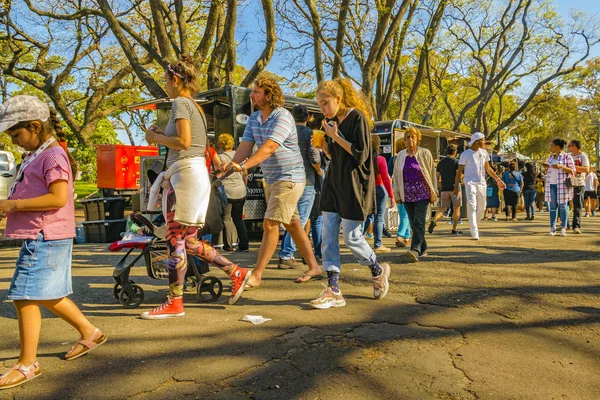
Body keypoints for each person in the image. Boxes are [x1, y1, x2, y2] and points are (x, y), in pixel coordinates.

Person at [0, 96, 106, 390]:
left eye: (17, 135)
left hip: (43, 235)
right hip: (45, 235)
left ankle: (27, 363)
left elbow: (58, 198)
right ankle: (90, 332)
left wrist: (12, 206)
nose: (16, 142)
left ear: (35, 126)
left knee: (24, 296)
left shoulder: (52, 156)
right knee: (45, 293)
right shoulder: (39, 154)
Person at [141, 57, 251, 319]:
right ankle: (236, 271)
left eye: (166, 80)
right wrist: (163, 135)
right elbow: (193, 143)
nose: (166, 85)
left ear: (175, 80)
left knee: (175, 239)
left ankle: (175, 301)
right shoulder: (195, 107)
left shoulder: (180, 102)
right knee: (186, 239)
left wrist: (155, 137)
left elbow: (183, 141)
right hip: (192, 175)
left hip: (185, 176)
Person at [222, 75, 322, 288]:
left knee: (270, 223)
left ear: (269, 95)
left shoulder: (282, 116)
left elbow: (268, 147)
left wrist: (245, 166)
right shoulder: (254, 119)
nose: (251, 95)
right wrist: (231, 164)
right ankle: (314, 266)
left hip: (290, 178)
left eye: (256, 92)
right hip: (274, 179)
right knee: (294, 224)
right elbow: (246, 146)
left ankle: (256, 275)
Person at [309, 77, 390, 309]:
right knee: (328, 236)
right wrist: (326, 147)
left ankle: (377, 270)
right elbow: (338, 157)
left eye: (325, 103)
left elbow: (361, 155)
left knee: (353, 238)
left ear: (338, 99)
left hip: (354, 186)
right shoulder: (331, 121)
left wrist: (335, 137)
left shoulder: (357, 118)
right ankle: (333, 289)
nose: (322, 108)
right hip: (333, 183)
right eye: (320, 104)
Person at [278, 104, 321, 268]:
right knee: (300, 220)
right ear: (308, 116)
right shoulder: (311, 134)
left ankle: (286, 252)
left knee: (290, 218)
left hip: (287, 179)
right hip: (306, 181)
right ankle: (287, 254)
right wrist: (319, 171)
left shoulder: (285, 134)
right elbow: (314, 157)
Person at [392, 127, 437, 261]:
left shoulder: (425, 153)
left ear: (417, 139)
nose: (410, 140)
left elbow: (431, 173)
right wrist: (397, 194)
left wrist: (433, 191)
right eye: (408, 137)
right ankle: (423, 248)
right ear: (404, 140)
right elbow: (396, 175)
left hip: (422, 193)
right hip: (407, 194)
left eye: (413, 137)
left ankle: (415, 249)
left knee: (419, 221)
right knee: (413, 223)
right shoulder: (400, 156)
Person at [454, 132, 506, 240]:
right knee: (472, 206)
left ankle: (475, 226)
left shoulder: (484, 152)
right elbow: (459, 171)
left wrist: (497, 179)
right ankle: (474, 232)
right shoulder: (465, 154)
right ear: (477, 142)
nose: (484, 142)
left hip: (482, 183)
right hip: (470, 182)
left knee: (482, 208)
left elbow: (488, 168)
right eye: (483, 140)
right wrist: (456, 186)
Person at [217, 133, 249, 252]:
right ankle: (244, 244)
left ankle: (229, 245)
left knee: (226, 219)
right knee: (238, 219)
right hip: (241, 191)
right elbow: (245, 174)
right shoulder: (240, 156)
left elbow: (219, 175)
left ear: (220, 144)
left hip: (227, 191)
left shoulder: (220, 158)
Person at [363, 134, 394, 252]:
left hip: (367, 190)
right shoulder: (381, 160)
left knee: (368, 216)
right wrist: (391, 195)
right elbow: (386, 178)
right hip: (380, 189)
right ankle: (378, 244)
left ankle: (357, 237)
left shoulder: (364, 159)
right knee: (379, 217)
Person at [544, 138, 575, 237]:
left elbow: (572, 171)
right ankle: (552, 228)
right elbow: (548, 169)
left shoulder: (567, 157)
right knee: (553, 207)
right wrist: (546, 167)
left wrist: (561, 166)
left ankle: (563, 227)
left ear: (557, 147)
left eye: (552, 145)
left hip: (562, 185)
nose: (551, 147)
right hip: (551, 184)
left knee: (563, 206)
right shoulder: (550, 157)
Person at [429, 144, 462, 235]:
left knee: (442, 208)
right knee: (456, 209)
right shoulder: (456, 162)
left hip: (444, 188)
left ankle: (434, 220)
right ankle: (454, 229)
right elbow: (459, 175)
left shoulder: (441, 163)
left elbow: (437, 176)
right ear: (455, 152)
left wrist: (439, 186)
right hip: (455, 188)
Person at [390, 138, 412, 247]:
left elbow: (389, 174)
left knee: (403, 213)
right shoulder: (408, 158)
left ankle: (407, 237)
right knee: (406, 213)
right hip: (406, 187)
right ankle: (400, 235)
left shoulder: (393, 159)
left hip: (395, 187)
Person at [568, 140, 590, 234]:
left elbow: (586, 169)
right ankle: (564, 225)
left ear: (575, 146)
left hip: (579, 183)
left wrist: (573, 167)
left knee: (577, 205)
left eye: (570, 145)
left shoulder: (583, 156)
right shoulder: (568, 156)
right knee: (565, 204)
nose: (568, 147)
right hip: (568, 182)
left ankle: (576, 226)